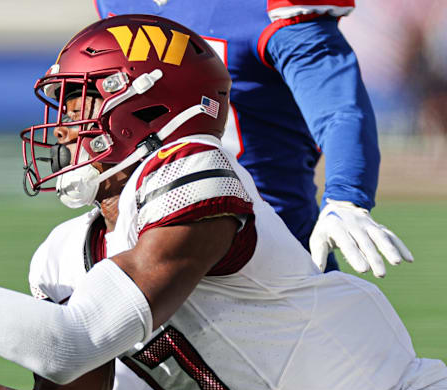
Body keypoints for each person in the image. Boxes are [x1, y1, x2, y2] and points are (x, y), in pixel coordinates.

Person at [0, 15, 447, 390]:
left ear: (150, 106)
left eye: (80, 102)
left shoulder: (194, 170)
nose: (64, 124)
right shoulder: (63, 256)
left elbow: (74, 337)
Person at [92, 0, 413, 278]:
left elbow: (340, 111)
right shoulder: (118, 4)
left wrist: (346, 197)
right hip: (148, 234)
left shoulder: (268, 9)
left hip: (269, 247)